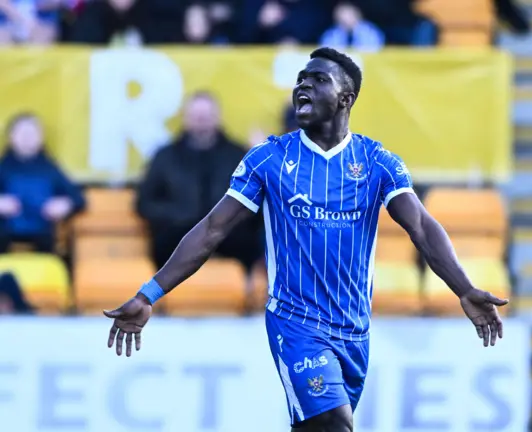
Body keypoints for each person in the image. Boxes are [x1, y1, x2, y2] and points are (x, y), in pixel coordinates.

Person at [104, 47, 508, 432]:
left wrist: (464, 288)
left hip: (354, 331)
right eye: (300, 80)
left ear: (346, 97)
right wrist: (148, 294)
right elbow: (212, 230)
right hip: (295, 324)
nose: (303, 87)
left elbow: (420, 226)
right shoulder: (269, 159)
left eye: (317, 80)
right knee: (335, 423)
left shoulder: (377, 163)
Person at [136, 91, 264, 276]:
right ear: (185, 118)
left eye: (206, 117)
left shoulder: (238, 156)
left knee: (248, 241)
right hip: (179, 233)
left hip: (229, 235)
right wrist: (179, 215)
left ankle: (246, 292)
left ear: (217, 118)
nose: (201, 122)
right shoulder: (165, 157)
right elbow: (145, 203)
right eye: (196, 117)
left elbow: (257, 200)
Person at [0, 113, 85, 253]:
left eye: (32, 133)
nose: (27, 138)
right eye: (22, 132)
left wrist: (64, 205)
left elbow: (79, 199)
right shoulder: (3, 167)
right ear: (11, 136)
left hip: (44, 236)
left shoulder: (50, 168)